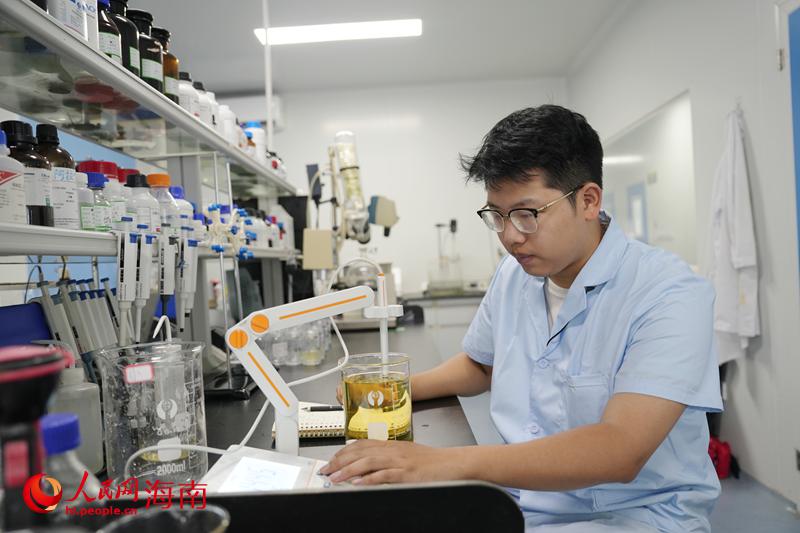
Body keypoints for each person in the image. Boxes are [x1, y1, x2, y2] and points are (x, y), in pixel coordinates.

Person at [321, 105, 722, 532]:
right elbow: (481, 365)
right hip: (523, 503)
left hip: (632, 517)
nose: (510, 236)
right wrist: (391, 391)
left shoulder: (669, 293)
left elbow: (621, 448)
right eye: (497, 215)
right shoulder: (516, 274)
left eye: (527, 215)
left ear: (588, 201)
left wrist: (443, 463)